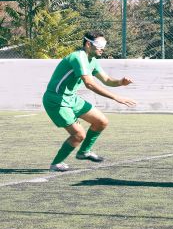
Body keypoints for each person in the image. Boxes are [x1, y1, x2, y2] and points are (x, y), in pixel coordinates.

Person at [42, 32, 137, 172]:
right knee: (79, 135)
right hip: (56, 100)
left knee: (101, 121)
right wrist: (116, 97)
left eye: (104, 46)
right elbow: (90, 84)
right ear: (88, 44)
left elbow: (107, 80)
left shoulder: (92, 60)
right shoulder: (78, 58)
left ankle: (84, 152)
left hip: (71, 98)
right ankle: (56, 164)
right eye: (100, 45)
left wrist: (121, 82)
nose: (102, 49)